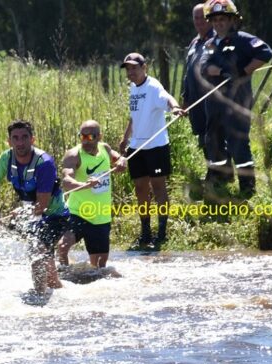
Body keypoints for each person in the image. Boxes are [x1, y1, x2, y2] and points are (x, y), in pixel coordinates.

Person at [0, 119, 68, 294]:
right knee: (49, 270)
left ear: (33, 139)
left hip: (54, 215)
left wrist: (21, 212)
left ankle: (39, 297)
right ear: (9, 141)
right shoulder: (6, 158)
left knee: (36, 250)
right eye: (15, 138)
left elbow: (42, 205)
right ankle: (61, 293)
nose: (20, 142)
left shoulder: (44, 163)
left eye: (24, 137)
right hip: (31, 213)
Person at [199, 0, 272, 198]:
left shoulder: (243, 40)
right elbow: (204, 66)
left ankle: (248, 189)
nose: (218, 23)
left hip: (237, 102)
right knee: (212, 141)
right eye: (214, 20)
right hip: (214, 103)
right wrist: (220, 71)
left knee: (238, 144)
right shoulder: (211, 44)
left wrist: (243, 71)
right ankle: (220, 180)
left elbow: (266, 53)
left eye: (222, 19)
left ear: (232, 19)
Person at [118, 52, 186, 247]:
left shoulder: (153, 86)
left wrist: (174, 108)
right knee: (140, 188)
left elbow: (167, 98)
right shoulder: (132, 87)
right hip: (136, 146)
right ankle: (145, 231)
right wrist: (125, 137)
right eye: (128, 69)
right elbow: (134, 115)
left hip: (156, 146)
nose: (131, 72)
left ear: (144, 67)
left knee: (158, 187)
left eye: (134, 68)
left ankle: (162, 231)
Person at [59, 120, 126, 268]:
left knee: (100, 266)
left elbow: (118, 158)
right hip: (78, 211)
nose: (86, 141)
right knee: (63, 246)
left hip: (100, 215)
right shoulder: (73, 155)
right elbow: (66, 180)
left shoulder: (105, 149)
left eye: (91, 137)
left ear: (99, 136)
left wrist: (122, 161)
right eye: (83, 137)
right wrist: (84, 185)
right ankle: (64, 275)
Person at [182, 3, 215, 165]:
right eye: (196, 18)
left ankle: (221, 174)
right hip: (195, 100)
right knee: (202, 136)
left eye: (203, 17)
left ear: (209, 18)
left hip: (212, 98)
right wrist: (185, 97)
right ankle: (212, 169)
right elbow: (188, 72)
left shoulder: (217, 40)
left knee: (214, 136)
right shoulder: (195, 42)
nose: (199, 21)